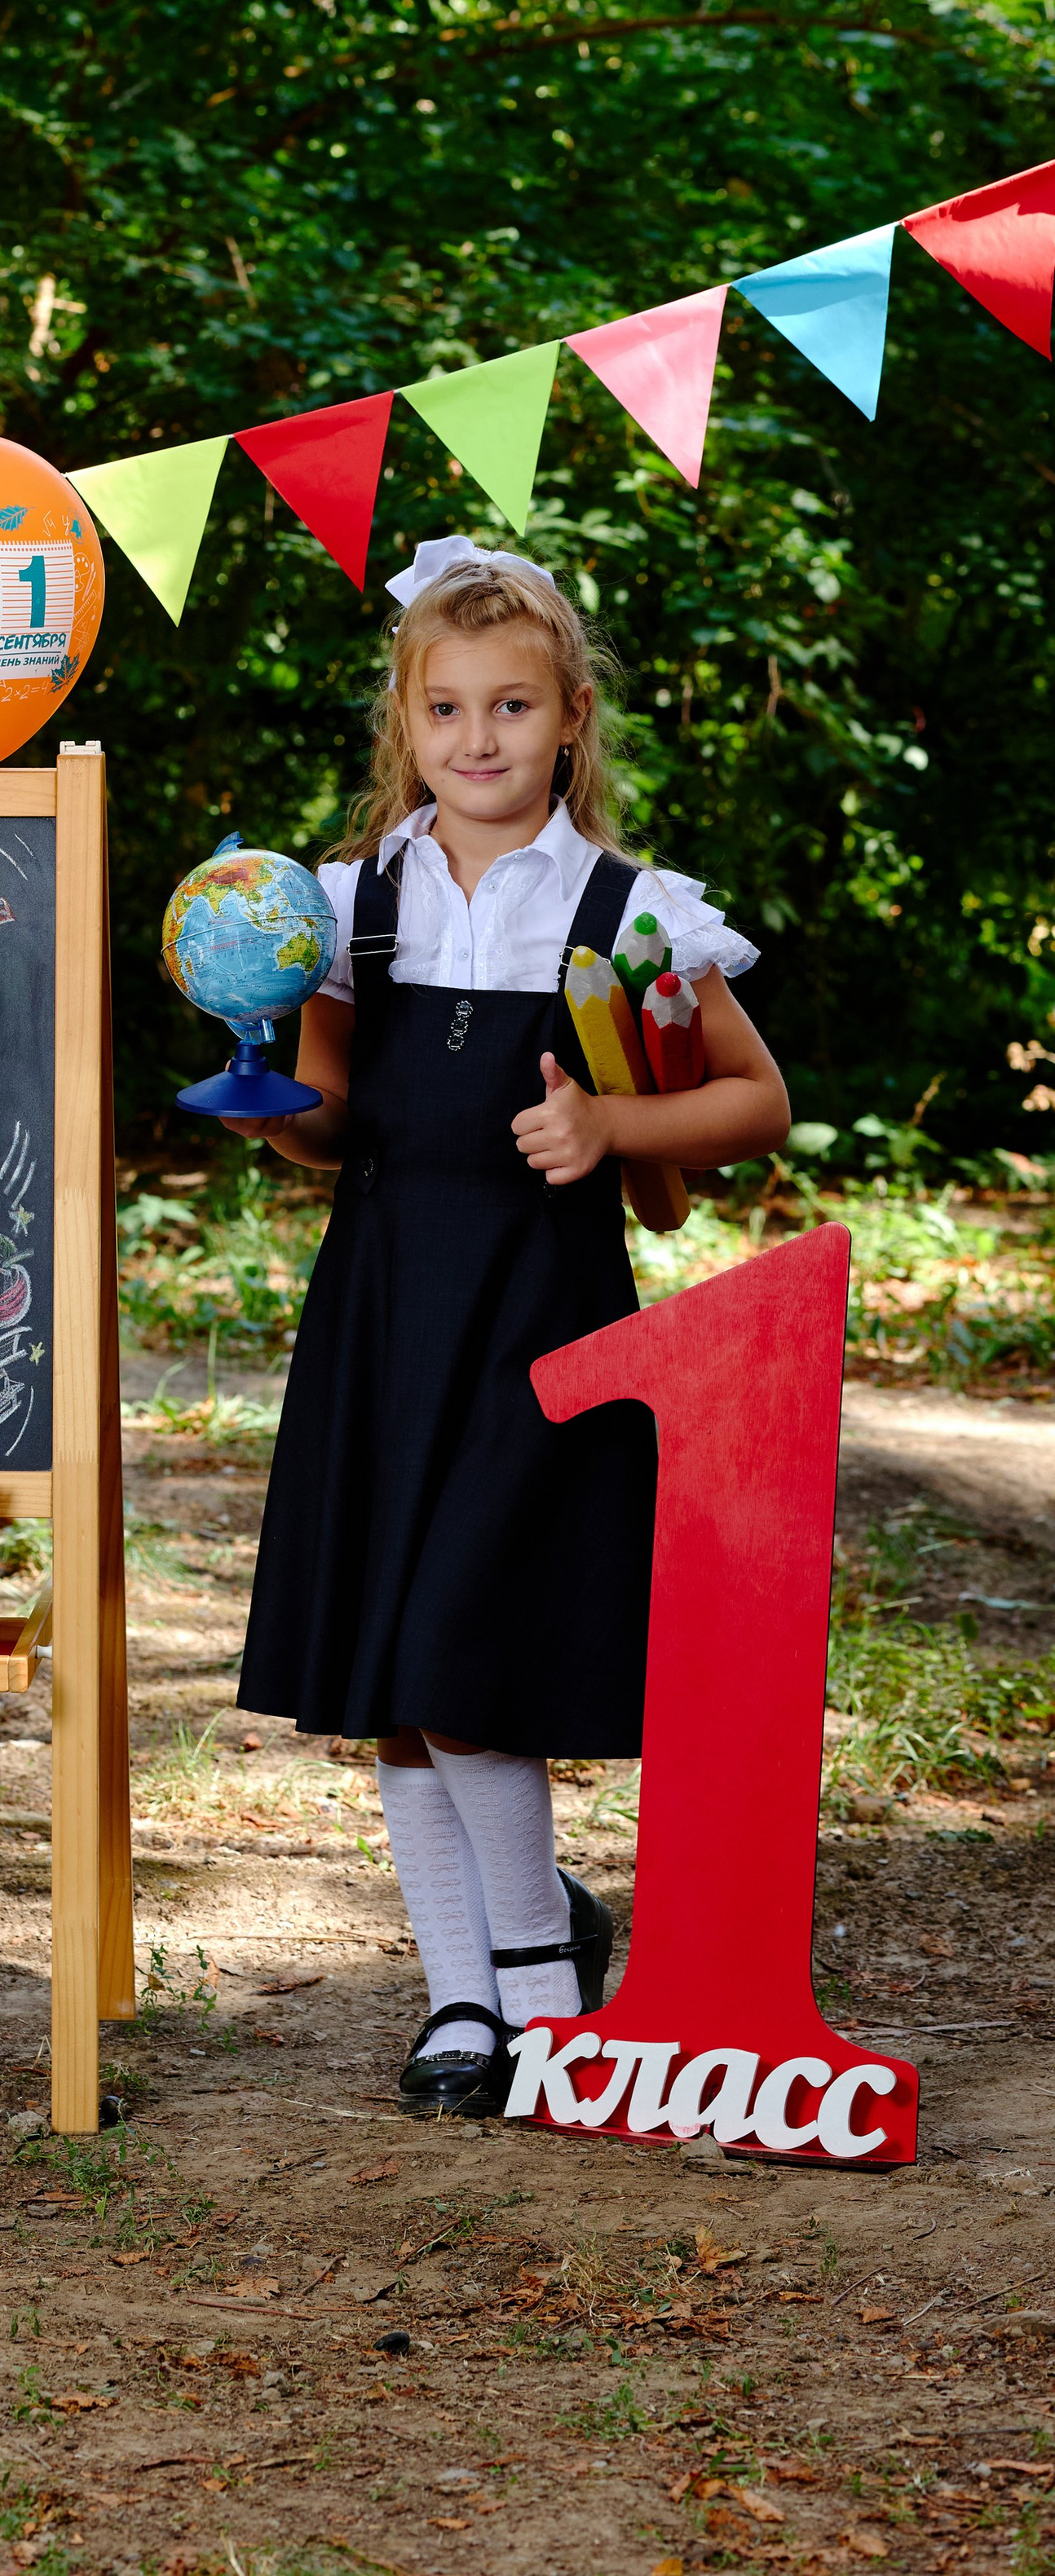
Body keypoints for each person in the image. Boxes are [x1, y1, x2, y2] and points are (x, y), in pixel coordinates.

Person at [224, 533, 791, 2117]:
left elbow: (756, 1100)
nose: (476, 741)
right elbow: (329, 1124)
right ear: (402, 726)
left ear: (568, 718)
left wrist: (612, 1132)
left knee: (465, 1650)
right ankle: (456, 2002)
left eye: (510, 709)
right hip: (386, 1315)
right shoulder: (348, 906)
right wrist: (263, 1101)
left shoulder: (625, 909)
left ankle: (540, 1981)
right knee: (400, 1683)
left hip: (541, 1327)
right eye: (445, 711)